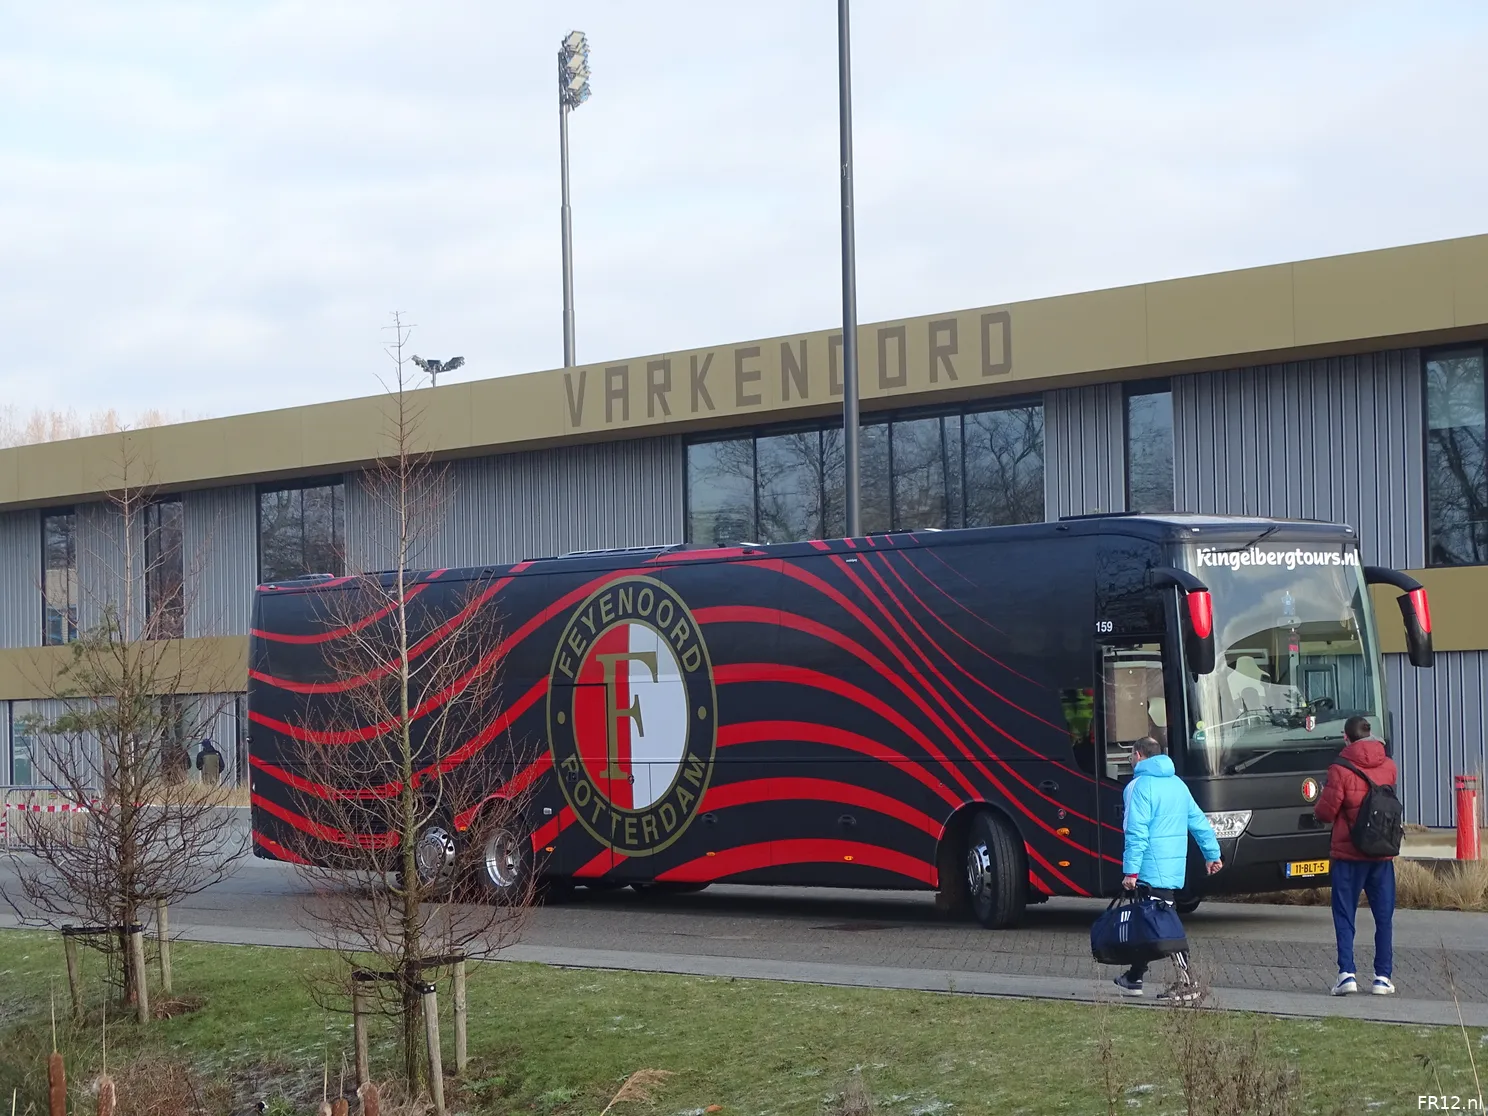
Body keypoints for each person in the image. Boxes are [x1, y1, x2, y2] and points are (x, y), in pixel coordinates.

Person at [1112, 736, 1223, 1000]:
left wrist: (1131, 871)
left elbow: (1135, 831)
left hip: (1150, 868)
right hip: (1173, 866)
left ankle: (1187, 982)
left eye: (1131, 755)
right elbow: (1198, 821)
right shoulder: (1178, 785)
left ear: (1138, 755)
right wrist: (1212, 854)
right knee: (1145, 921)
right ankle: (1134, 977)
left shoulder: (1138, 787)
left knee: (1165, 924)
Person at [1314, 715, 1397, 996]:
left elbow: (1326, 811)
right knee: (1383, 916)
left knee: (1344, 915)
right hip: (1382, 853)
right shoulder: (1389, 765)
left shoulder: (1339, 768)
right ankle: (1382, 978)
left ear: (1346, 737)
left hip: (1349, 855)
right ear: (1370, 734)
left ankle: (1347, 974)